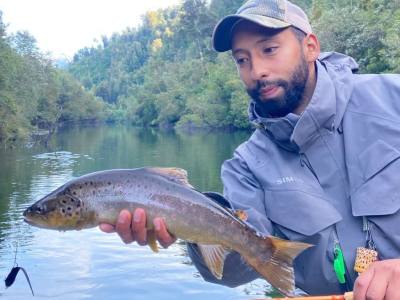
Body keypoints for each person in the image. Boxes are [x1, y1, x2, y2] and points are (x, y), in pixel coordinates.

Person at [100, 0, 400, 298]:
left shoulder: (392, 100)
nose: (257, 70)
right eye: (242, 60)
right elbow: (237, 268)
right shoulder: (246, 166)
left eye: (269, 50)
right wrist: (186, 223)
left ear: (310, 46)